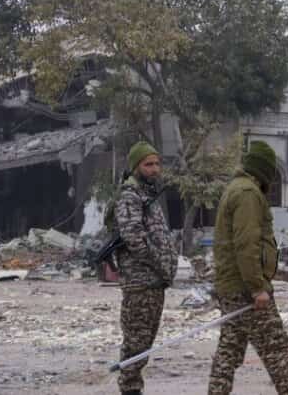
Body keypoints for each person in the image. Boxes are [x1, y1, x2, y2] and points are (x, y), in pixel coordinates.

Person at [208, 140, 288, 395]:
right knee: (275, 349)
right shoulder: (248, 194)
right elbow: (246, 244)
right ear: (264, 170)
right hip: (246, 289)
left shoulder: (235, 188)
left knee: (229, 349)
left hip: (231, 286)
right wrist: (257, 287)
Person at [112, 140, 179, 395]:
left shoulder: (147, 195)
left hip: (153, 283)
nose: (155, 169)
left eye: (157, 164)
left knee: (144, 344)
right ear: (135, 166)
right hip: (140, 284)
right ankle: (130, 390)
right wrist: (162, 264)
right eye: (148, 164)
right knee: (136, 344)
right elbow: (135, 239)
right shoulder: (130, 196)